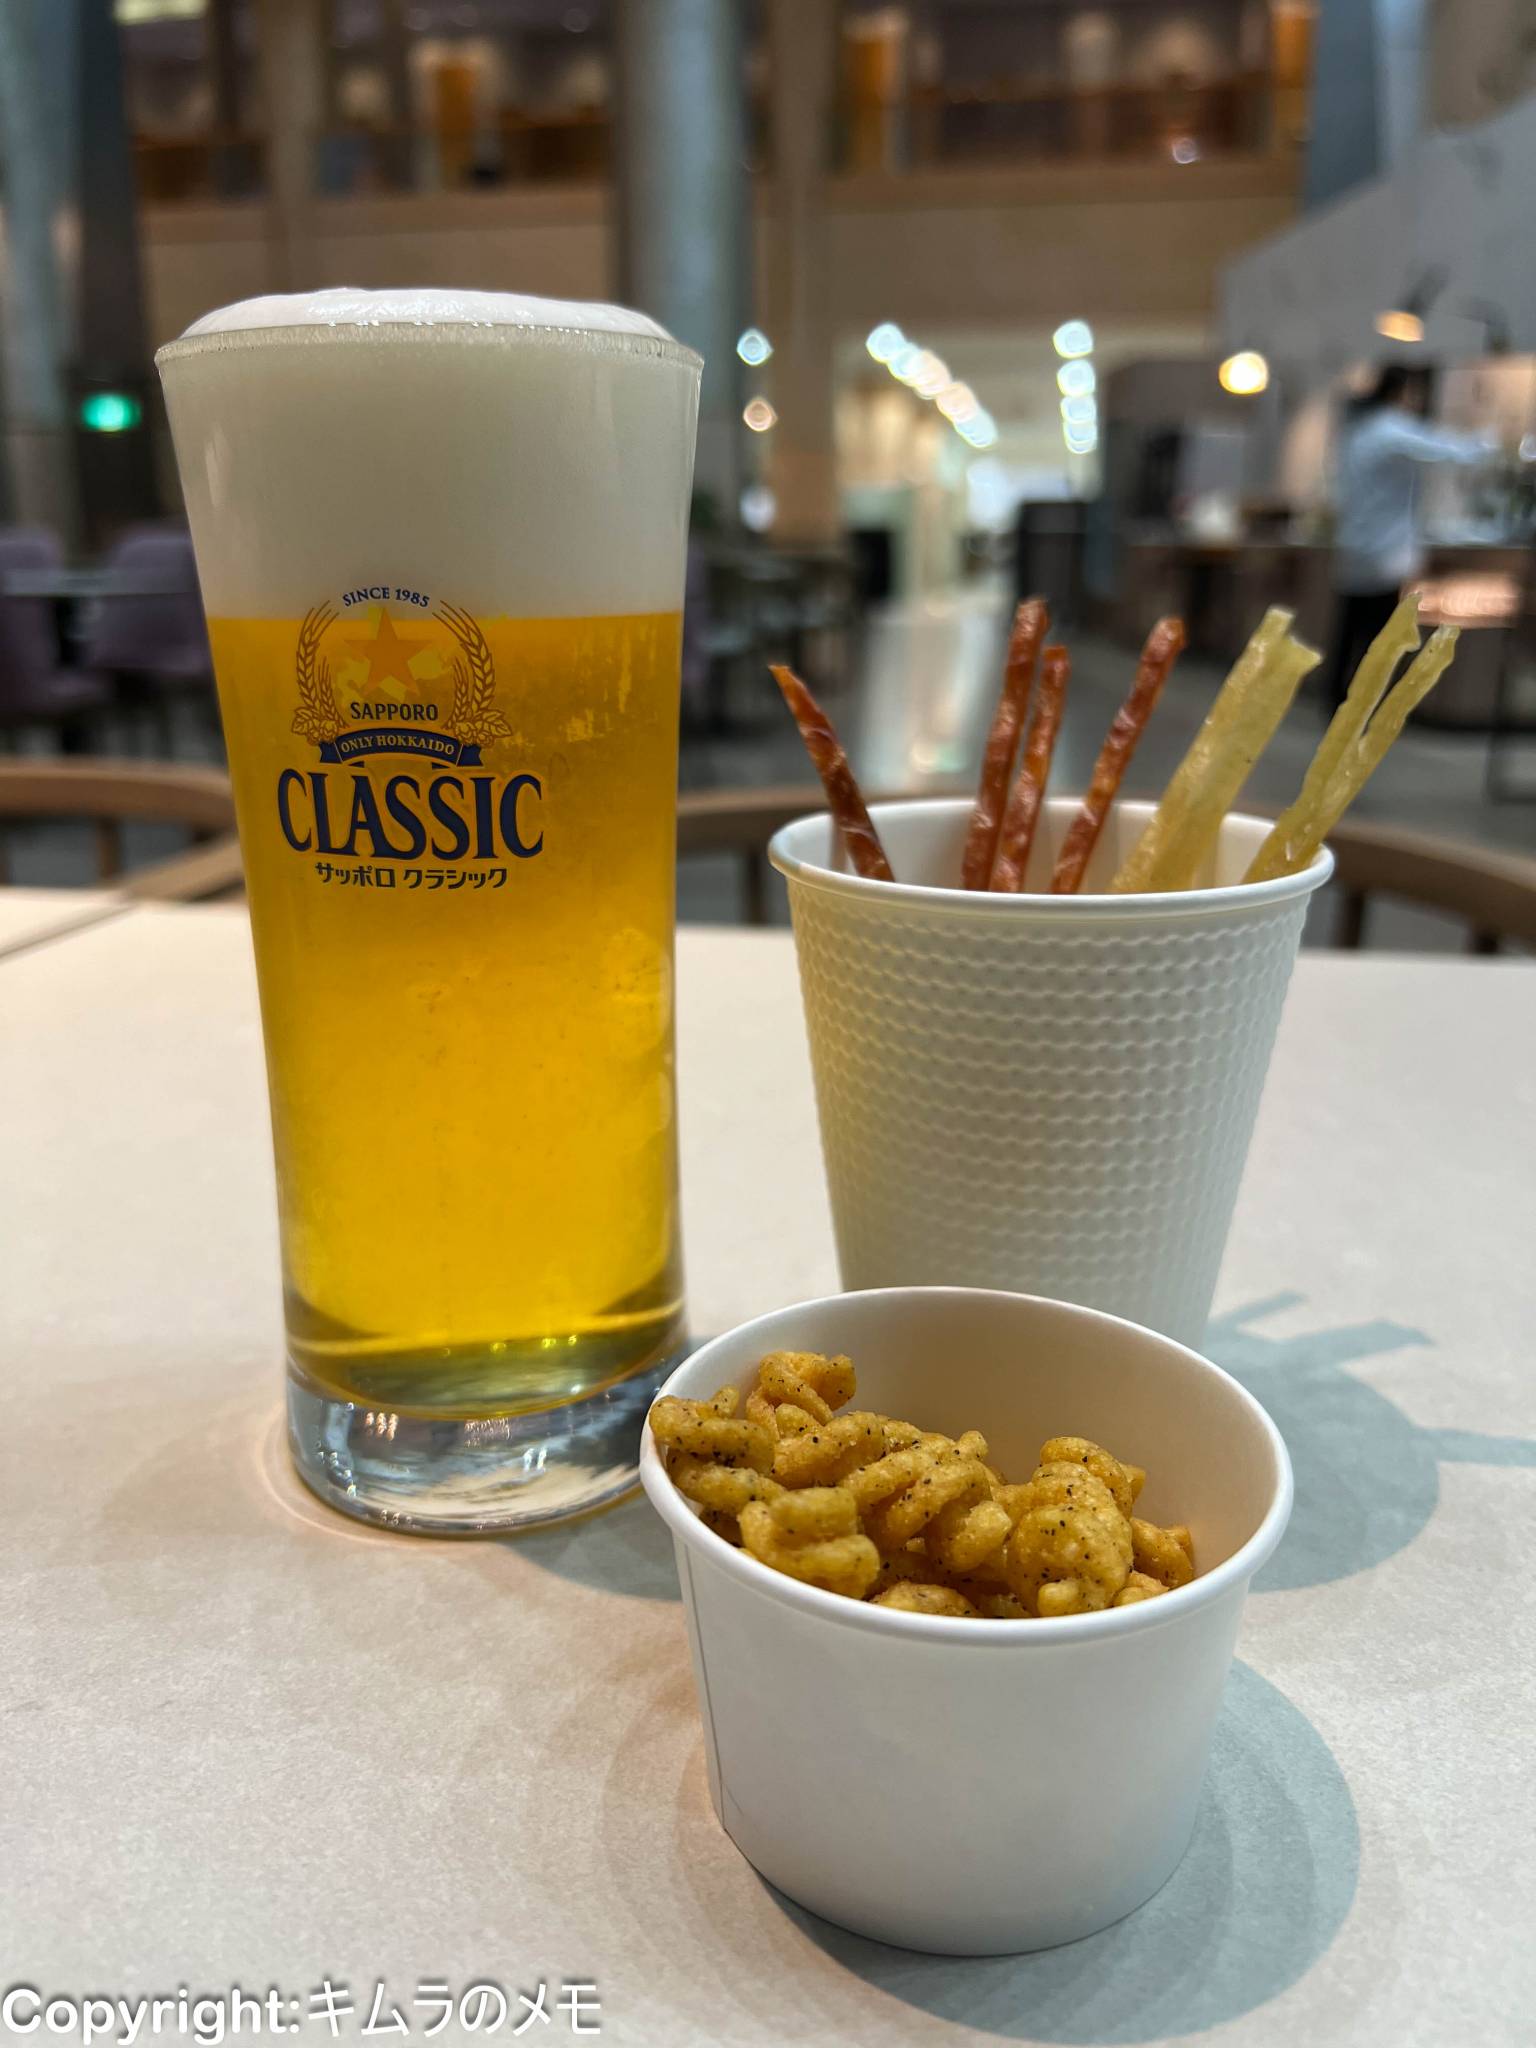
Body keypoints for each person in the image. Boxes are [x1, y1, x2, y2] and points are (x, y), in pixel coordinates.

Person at [1326, 363, 1492, 704]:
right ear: (1403, 391)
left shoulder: (1360, 429)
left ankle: (1338, 701)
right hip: (1382, 552)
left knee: (1349, 631)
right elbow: (1451, 450)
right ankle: (1364, 706)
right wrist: (1492, 441)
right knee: (1379, 640)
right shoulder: (1391, 429)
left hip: (1357, 547)